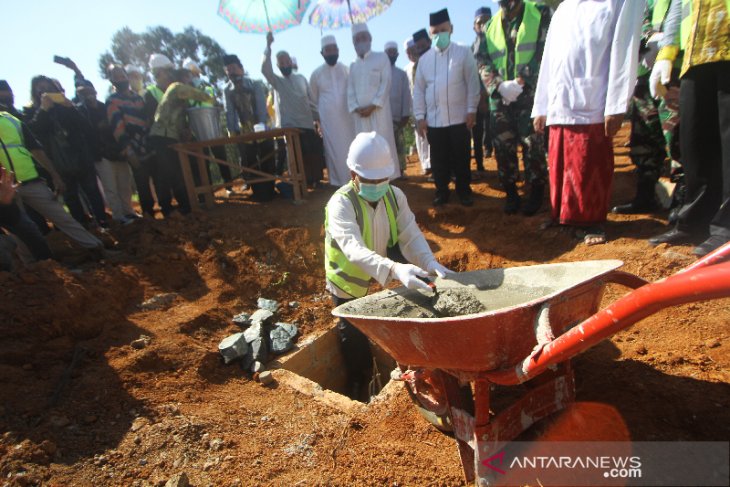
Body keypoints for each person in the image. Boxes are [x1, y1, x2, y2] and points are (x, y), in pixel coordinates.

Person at [324, 131, 453, 400]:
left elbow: (409, 233)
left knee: (421, 288)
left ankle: (423, 348)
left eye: (383, 179)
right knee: (352, 330)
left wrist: (429, 261)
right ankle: (359, 381)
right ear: (352, 175)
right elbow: (354, 249)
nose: (377, 185)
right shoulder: (341, 204)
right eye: (370, 180)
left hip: (383, 252)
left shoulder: (394, 196)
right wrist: (395, 270)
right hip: (348, 275)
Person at [532, 0, 645, 245]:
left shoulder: (617, 3)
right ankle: (562, 216)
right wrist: (540, 106)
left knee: (586, 165)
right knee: (560, 165)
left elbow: (624, 48)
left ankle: (591, 221)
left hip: (592, 100)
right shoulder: (563, 8)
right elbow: (548, 58)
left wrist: (616, 104)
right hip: (559, 102)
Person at [648, 0, 729, 256]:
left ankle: (726, 229)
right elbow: (678, 6)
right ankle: (695, 221)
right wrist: (666, 53)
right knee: (694, 141)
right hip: (696, 53)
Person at [477, 0, 551, 215]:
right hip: (500, 98)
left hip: (529, 94)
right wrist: (498, 85)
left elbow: (545, 51)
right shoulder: (489, 26)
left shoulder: (539, 13)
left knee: (533, 144)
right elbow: (483, 60)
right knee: (503, 146)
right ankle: (511, 194)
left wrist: (521, 81)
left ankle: (535, 193)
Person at [0, 108, 104, 253]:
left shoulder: (11, 120)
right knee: (19, 229)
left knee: (62, 217)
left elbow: (35, 149)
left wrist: (54, 175)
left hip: (31, 181)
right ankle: (34, 267)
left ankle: (96, 247)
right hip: (3, 190)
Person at [612, 0, 682, 215]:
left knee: (677, 137)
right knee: (644, 139)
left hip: (672, 72)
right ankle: (645, 196)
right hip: (643, 74)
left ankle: (683, 202)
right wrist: (643, 43)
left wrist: (664, 43)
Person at [414, 8, 481, 207]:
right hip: (434, 120)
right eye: (435, 32)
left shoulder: (463, 52)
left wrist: (472, 109)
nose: (439, 35)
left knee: (461, 157)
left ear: (451, 29)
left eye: (443, 30)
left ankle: (464, 190)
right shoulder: (424, 60)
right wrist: (419, 116)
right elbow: (418, 91)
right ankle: (441, 191)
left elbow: (472, 83)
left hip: (460, 118)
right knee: (439, 159)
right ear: (430, 33)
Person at [24, 76, 109, 229]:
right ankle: (83, 225)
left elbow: (86, 127)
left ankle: (103, 223)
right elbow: (34, 132)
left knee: (93, 192)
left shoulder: (66, 106)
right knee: (71, 197)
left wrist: (70, 107)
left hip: (81, 157)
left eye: (48, 88)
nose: (45, 92)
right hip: (57, 163)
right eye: (40, 89)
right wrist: (43, 110)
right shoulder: (31, 111)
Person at [148, 69, 214, 216]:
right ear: (182, 78)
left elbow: (181, 120)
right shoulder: (176, 87)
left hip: (170, 136)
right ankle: (168, 208)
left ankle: (185, 205)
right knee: (167, 172)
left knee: (177, 171)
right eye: (189, 78)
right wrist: (214, 102)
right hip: (162, 136)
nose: (191, 82)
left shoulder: (180, 101)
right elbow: (197, 94)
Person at [263, 32, 324, 188]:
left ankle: (315, 181)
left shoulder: (302, 78)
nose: (284, 64)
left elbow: (311, 102)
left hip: (307, 124)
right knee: (295, 158)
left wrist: (318, 119)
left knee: (312, 154)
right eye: (281, 63)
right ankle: (299, 185)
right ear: (278, 66)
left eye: (286, 61)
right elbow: (265, 70)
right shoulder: (277, 81)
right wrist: (268, 46)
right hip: (290, 127)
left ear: (291, 61)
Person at [76, 79, 137, 225]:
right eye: (84, 93)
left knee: (125, 185)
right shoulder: (80, 112)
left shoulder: (106, 108)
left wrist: (123, 147)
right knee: (111, 187)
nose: (88, 96)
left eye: (90, 92)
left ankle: (129, 212)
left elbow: (119, 127)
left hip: (118, 152)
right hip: (101, 155)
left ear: (95, 92)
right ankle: (118, 216)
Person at [347, 23, 401, 179]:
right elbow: (350, 89)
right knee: (363, 146)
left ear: (370, 38)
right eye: (357, 39)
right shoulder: (353, 65)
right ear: (353, 43)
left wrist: (374, 105)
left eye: (364, 37)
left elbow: (386, 83)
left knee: (382, 143)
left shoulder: (381, 57)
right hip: (360, 115)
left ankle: (389, 177)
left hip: (379, 112)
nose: (361, 41)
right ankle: (367, 178)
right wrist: (356, 108)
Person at [223, 54, 274, 201]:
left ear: (241, 69)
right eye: (228, 70)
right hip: (244, 129)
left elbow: (261, 107)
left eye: (233, 68)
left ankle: (269, 189)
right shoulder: (227, 90)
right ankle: (257, 191)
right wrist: (231, 130)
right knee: (249, 161)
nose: (231, 72)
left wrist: (262, 125)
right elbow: (229, 111)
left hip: (262, 127)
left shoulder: (254, 84)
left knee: (267, 157)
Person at [106, 65, 155, 219]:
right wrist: (129, 151)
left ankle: (164, 207)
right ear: (112, 80)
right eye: (117, 76)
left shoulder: (138, 98)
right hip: (133, 147)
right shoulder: (112, 101)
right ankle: (148, 213)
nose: (121, 79)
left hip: (148, 144)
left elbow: (147, 121)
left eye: (123, 75)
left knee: (158, 177)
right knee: (142, 181)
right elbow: (117, 129)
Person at [182, 59, 236, 193]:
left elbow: (215, 104)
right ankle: (208, 190)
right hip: (197, 132)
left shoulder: (207, 88)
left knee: (221, 158)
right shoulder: (184, 92)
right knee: (202, 162)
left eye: (195, 74)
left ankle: (229, 186)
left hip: (212, 128)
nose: (194, 77)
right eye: (191, 74)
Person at [310, 35, 356, 187]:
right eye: (327, 50)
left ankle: (354, 180)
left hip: (347, 119)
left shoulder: (346, 70)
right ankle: (338, 183)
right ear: (322, 53)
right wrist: (317, 121)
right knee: (333, 152)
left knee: (351, 149)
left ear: (338, 50)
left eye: (333, 49)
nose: (331, 53)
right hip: (328, 122)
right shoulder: (316, 74)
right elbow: (313, 100)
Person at [0, 165, 52, 267]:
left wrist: (5, 201)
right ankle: (9, 276)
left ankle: (49, 267)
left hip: (4, 205)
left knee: (30, 231)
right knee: (3, 248)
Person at [472, 7, 494, 177]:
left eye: (488, 20)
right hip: (477, 100)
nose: (484, 25)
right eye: (480, 22)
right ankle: (479, 165)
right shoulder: (470, 51)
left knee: (498, 133)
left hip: (498, 97)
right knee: (477, 133)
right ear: (474, 26)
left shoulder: (500, 43)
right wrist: (480, 96)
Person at [384, 41, 412, 178]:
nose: (391, 54)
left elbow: (406, 95)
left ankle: (400, 171)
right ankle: (387, 173)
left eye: (393, 52)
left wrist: (405, 114)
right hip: (383, 118)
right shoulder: (380, 73)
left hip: (397, 118)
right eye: (389, 52)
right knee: (386, 147)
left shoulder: (401, 74)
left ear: (397, 55)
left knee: (399, 145)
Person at [407, 31, 432, 176]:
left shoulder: (434, 58)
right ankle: (426, 164)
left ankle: (434, 163)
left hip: (434, 107)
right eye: (418, 47)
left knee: (433, 138)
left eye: (423, 45)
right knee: (421, 137)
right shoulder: (411, 68)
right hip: (418, 108)